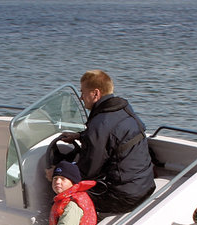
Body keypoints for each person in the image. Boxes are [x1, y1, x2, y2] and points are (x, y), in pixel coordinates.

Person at [59, 70, 155, 215]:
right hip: (145, 185)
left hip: (124, 198)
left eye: (83, 93)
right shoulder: (123, 109)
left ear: (95, 94)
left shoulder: (99, 124)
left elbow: (87, 171)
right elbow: (111, 135)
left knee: (64, 194)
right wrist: (80, 136)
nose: (81, 98)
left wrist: (58, 174)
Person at [22, 161, 97, 225]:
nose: (57, 182)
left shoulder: (72, 205)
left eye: (63, 179)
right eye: (55, 178)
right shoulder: (70, 197)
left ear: (72, 182)